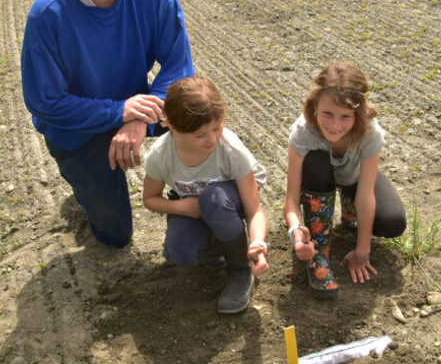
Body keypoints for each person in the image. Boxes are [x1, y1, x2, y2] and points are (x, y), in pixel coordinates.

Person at [21, 0, 194, 247]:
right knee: (116, 236)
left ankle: (196, 202)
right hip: (78, 129)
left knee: (196, 111)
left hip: (135, 108)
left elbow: (179, 67)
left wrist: (139, 119)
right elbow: (46, 103)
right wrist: (118, 112)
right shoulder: (48, 16)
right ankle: (85, 185)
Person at [142, 76, 269, 314]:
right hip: (193, 206)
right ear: (171, 126)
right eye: (200, 135)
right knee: (180, 252)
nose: (211, 140)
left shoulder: (229, 149)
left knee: (214, 200)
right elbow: (150, 199)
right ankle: (216, 244)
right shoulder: (161, 155)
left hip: (230, 201)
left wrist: (258, 244)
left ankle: (240, 270)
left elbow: (254, 210)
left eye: (216, 128)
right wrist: (181, 207)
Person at [282, 62, 406, 298]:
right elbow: (291, 201)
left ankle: (351, 212)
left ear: (357, 114)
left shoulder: (370, 131)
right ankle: (318, 253)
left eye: (345, 117)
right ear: (315, 105)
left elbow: (366, 196)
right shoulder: (303, 131)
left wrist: (362, 252)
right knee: (316, 163)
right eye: (327, 114)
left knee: (393, 222)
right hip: (317, 181)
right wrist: (296, 232)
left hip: (355, 179)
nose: (335, 125)